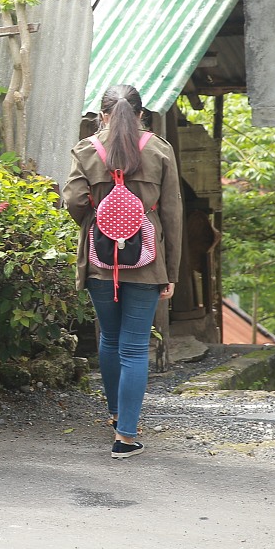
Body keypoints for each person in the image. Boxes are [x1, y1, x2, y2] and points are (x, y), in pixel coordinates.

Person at [62, 84, 182, 459]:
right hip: (148, 262)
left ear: (102, 115)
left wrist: (101, 219)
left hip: (101, 261)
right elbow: (173, 214)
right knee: (134, 347)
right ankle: (126, 437)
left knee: (109, 340)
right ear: (142, 114)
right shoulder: (160, 150)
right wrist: (171, 270)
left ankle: (115, 415)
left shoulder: (87, 150)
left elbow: (73, 200)